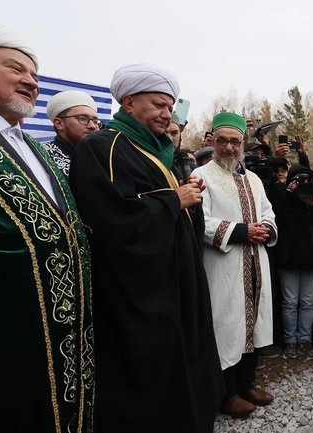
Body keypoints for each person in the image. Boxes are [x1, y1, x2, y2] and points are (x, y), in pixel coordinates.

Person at [0, 16, 94, 432]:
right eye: (15, 68)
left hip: (56, 327)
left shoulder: (27, 142)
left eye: (34, 73)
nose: (31, 81)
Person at [69, 63, 223, 432]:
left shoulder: (151, 149)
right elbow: (109, 219)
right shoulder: (101, 147)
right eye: (157, 105)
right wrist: (173, 202)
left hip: (176, 280)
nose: (166, 114)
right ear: (128, 101)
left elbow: (164, 204)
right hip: (141, 292)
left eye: (170, 107)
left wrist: (187, 200)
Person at [192, 111, 277, 418]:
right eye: (223, 141)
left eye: (235, 142)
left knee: (252, 325)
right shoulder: (202, 176)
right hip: (224, 265)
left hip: (255, 261)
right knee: (226, 326)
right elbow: (199, 221)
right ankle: (224, 393)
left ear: (243, 144)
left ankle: (246, 383)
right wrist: (241, 231)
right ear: (213, 141)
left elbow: (268, 212)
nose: (229, 148)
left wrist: (265, 227)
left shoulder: (252, 178)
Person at [275, 165, 313, 360]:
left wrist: (312, 204)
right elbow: (279, 217)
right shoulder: (283, 197)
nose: (302, 186)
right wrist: (289, 195)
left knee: (307, 301)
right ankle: (290, 341)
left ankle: (305, 339)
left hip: (311, 258)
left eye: (306, 182)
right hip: (288, 257)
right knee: (289, 302)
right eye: (298, 182)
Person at [43, 90, 100, 176]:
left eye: (95, 121)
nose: (92, 126)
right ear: (59, 123)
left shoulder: (102, 157)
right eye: (83, 119)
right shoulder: (41, 155)